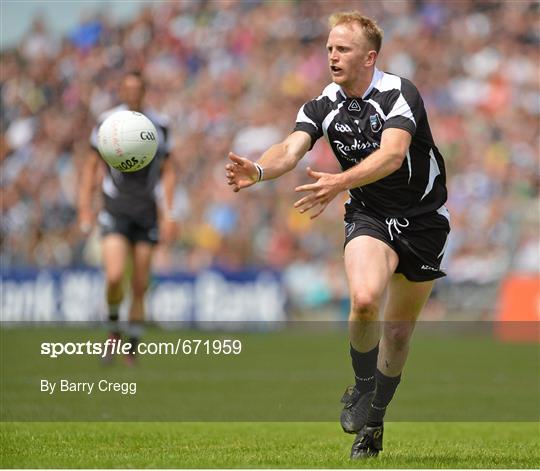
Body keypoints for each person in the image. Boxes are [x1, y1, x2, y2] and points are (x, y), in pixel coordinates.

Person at [225, 11, 449, 459]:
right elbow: (291, 148)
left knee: (400, 333)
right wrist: (262, 169)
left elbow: (392, 155)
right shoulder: (323, 103)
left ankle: (375, 423)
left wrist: (338, 182)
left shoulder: (399, 93)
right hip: (368, 214)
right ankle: (363, 387)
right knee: (365, 299)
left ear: (369, 58)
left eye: (342, 49)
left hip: (424, 221)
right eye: (329, 48)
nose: (332, 55)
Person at [78, 71, 177, 365]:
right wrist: (85, 206)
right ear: (121, 90)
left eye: (138, 88)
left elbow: (169, 170)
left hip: (146, 211)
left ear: (144, 91)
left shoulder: (160, 124)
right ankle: (112, 331)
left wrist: (170, 213)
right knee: (115, 275)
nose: (132, 93)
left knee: (140, 283)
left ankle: (131, 345)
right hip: (115, 208)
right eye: (127, 88)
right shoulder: (108, 122)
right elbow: (91, 166)